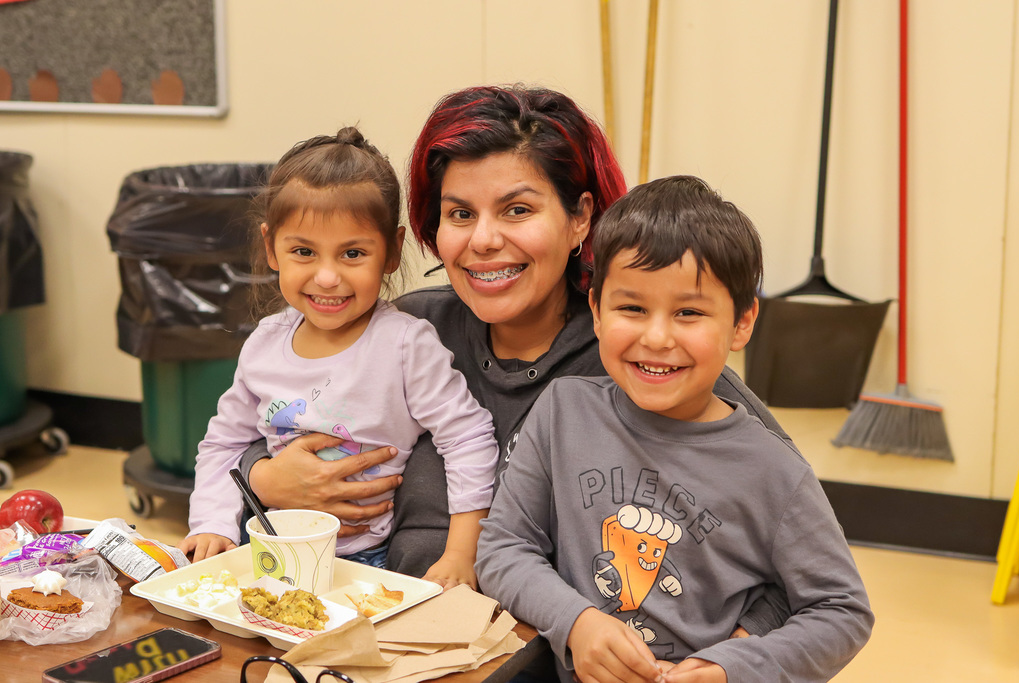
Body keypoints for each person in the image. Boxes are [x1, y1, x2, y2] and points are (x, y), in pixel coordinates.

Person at [238, 86, 793, 632]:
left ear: (581, 219)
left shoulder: (638, 359)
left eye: (517, 209)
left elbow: (798, 563)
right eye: (460, 214)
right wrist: (261, 478)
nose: (483, 239)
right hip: (380, 637)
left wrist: (735, 653)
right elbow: (284, 416)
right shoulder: (409, 330)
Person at [475, 175, 874, 683]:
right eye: (632, 308)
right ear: (596, 310)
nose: (657, 337)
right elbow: (504, 547)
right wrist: (576, 623)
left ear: (743, 322)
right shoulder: (562, 412)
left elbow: (841, 609)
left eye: (689, 312)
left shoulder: (774, 470)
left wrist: (732, 669)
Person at [179, 127, 498, 590]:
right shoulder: (265, 344)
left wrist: (460, 553)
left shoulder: (406, 344)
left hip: (368, 563)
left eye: (352, 253)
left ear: (390, 251)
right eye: (303, 251)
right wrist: (211, 524)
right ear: (272, 247)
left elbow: (468, 439)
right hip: (268, 544)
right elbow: (223, 444)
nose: (327, 277)